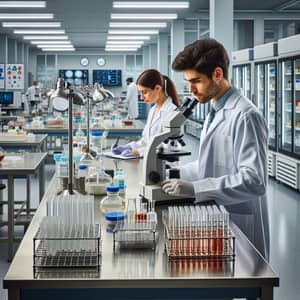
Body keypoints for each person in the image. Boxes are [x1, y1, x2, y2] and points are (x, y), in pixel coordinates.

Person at [161, 39, 270, 261]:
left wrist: (195, 188)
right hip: (216, 217)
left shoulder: (245, 115)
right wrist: (176, 174)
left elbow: (254, 181)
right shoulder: (215, 109)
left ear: (218, 75)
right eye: (187, 82)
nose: (190, 90)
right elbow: (213, 163)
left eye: (196, 81)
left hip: (241, 223)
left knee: (243, 281)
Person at [112, 69, 180, 157]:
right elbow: (145, 141)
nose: (141, 97)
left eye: (145, 92)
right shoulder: (153, 110)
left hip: (164, 165)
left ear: (157, 88)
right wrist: (129, 147)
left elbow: (168, 147)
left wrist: (137, 152)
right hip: (148, 160)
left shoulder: (172, 111)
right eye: (140, 93)